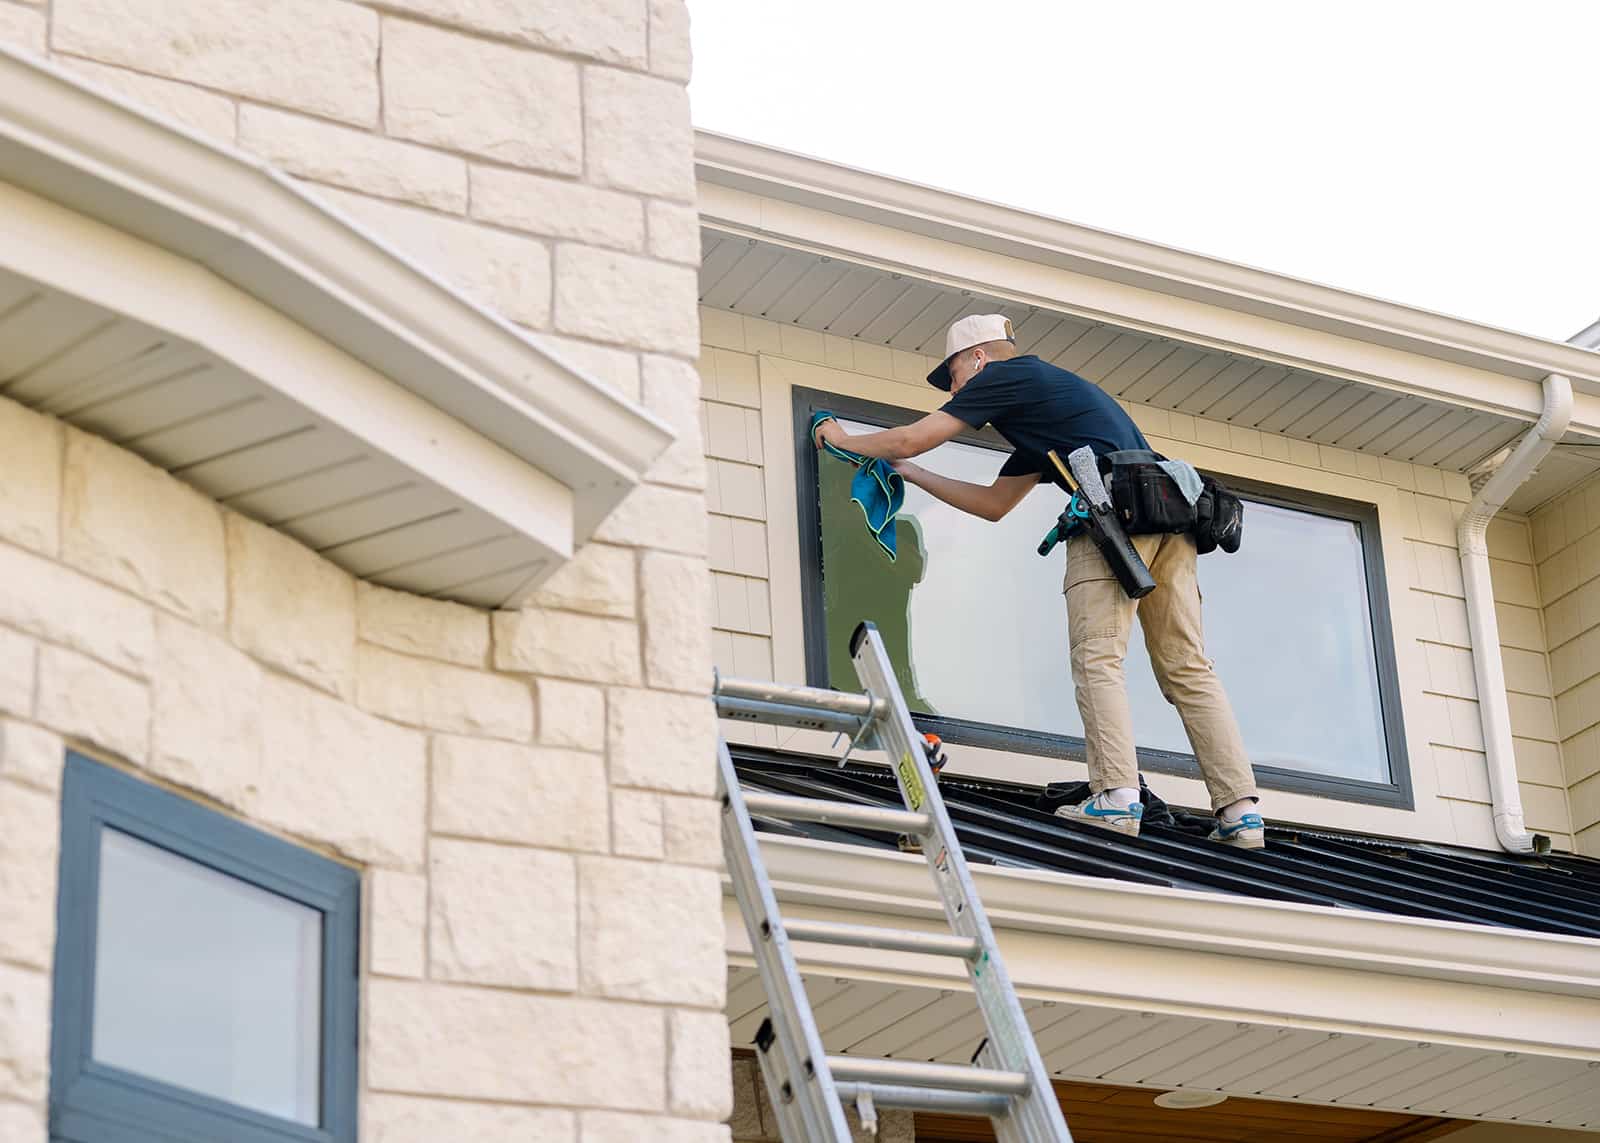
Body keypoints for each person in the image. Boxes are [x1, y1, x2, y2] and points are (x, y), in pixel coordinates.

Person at [811, 314, 1264, 848]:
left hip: (1115, 513)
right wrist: (912, 476)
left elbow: (912, 437)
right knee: (1188, 666)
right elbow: (993, 504)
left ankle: (1117, 799)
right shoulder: (1046, 412)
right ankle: (1240, 812)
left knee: (1097, 655)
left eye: (953, 376)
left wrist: (838, 436)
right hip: (1170, 516)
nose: (954, 390)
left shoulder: (1007, 378)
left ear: (977, 359)